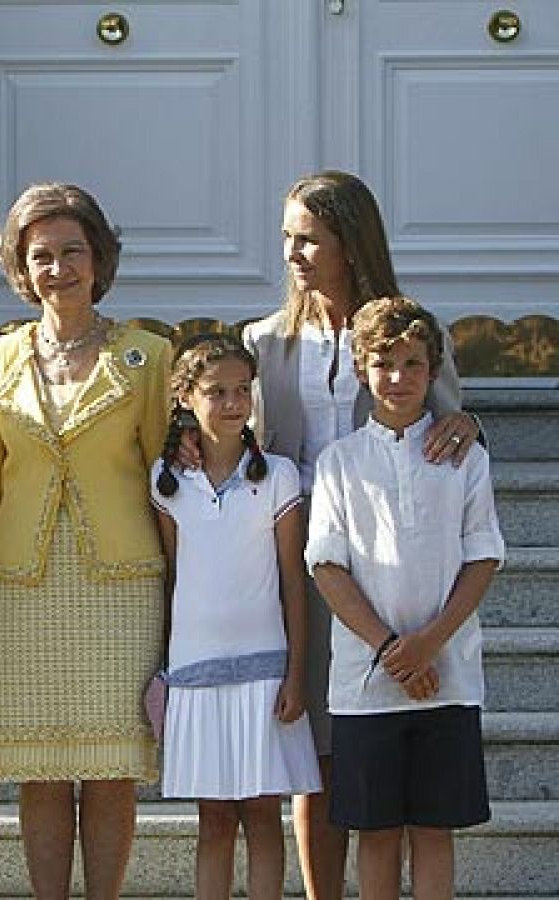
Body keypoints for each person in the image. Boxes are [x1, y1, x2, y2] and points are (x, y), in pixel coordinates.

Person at [240, 170, 480, 899]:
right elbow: (248, 445)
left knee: (368, 736)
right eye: (287, 237)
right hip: (298, 561)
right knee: (317, 747)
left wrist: (466, 422)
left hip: (388, 561)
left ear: (350, 241)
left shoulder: (407, 332)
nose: (294, 253)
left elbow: (445, 420)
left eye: (309, 238)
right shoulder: (265, 341)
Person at [0, 182, 171, 900]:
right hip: (23, 585)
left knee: (111, 769)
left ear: (98, 257)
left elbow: (170, 488)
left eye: (71, 252)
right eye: (40, 256)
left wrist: (184, 595)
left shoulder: (148, 356)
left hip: (122, 584)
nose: (57, 269)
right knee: (39, 769)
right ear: (22, 268)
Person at [305, 296, 503, 900]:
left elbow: (483, 556)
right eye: (383, 364)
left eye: (412, 364)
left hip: (449, 676)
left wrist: (428, 645)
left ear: (431, 370)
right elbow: (327, 566)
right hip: (367, 686)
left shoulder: (464, 458)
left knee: (434, 829)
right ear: (362, 370)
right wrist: (392, 649)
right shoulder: (339, 463)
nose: (398, 378)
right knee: (378, 832)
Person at [151, 334, 321, 900]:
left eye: (241, 390)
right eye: (215, 391)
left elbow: (293, 582)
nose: (231, 403)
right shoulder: (166, 481)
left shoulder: (277, 476)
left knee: (262, 815)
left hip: (265, 672)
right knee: (215, 819)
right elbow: (174, 577)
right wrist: (166, 672)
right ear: (184, 399)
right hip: (197, 673)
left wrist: (295, 674)